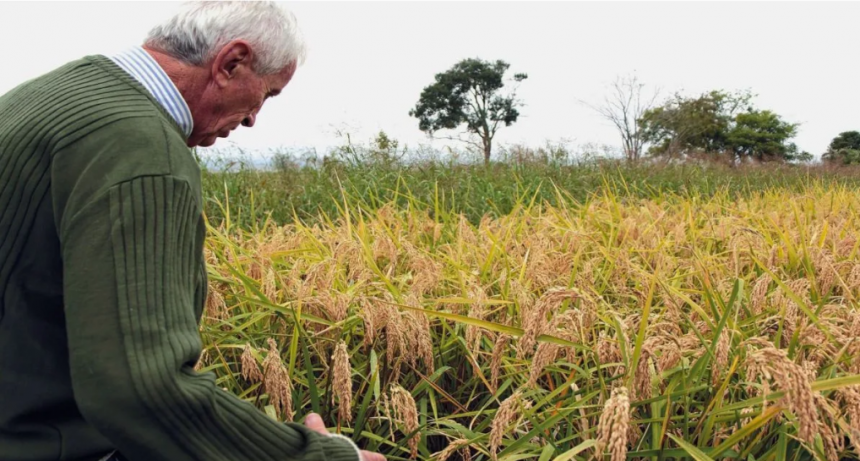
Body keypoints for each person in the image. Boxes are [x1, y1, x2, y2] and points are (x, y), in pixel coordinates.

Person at [0, 2, 385, 461]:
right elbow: (141, 389)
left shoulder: (37, 99)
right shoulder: (142, 151)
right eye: (267, 93)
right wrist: (317, 456)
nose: (252, 118)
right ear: (230, 62)